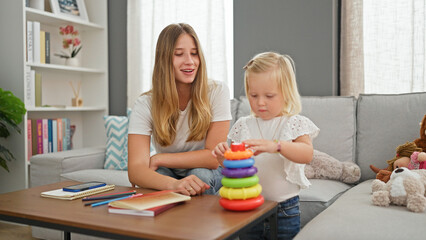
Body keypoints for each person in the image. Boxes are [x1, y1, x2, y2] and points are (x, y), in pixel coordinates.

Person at [212, 52, 319, 239]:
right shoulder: (244, 125)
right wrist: (223, 159)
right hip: (249, 207)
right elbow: (236, 169)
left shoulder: (294, 123)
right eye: (253, 95)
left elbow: (306, 154)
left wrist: (277, 146)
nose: (260, 102)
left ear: (286, 93)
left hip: (284, 209)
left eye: (269, 96)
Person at [128, 23, 231, 196]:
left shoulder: (217, 91)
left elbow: (213, 158)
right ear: (164, 59)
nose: (190, 61)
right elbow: (136, 170)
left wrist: (160, 158)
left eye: (194, 53)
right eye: (179, 54)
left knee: (199, 175)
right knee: (156, 176)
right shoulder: (145, 103)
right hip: (168, 171)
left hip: (207, 170)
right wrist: (174, 185)